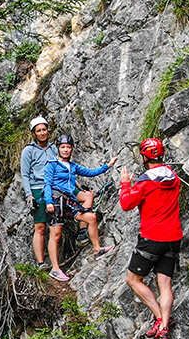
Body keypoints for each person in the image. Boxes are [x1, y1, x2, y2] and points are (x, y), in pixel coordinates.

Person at [119, 137, 183, 339]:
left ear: (144, 157)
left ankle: (159, 318)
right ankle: (164, 326)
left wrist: (125, 183)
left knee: (133, 279)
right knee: (165, 283)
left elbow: (126, 204)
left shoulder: (145, 182)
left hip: (152, 238)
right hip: (173, 237)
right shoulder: (174, 178)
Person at [44, 134, 117, 282]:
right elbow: (47, 183)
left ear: (71, 149)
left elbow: (90, 172)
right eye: (63, 147)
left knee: (91, 217)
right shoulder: (51, 164)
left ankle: (97, 249)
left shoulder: (73, 166)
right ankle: (55, 269)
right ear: (58, 148)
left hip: (69, 202)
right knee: (56, 234)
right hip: (57, 201)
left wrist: (107, 166)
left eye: (68, 147)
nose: (65, 150)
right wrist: (48, 202)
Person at [20, 116, 58, 269]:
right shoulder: (28, 151)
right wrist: (29, 195)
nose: (42, 133)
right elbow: (25, 174)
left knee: (55, 225)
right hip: (37, 189)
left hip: (54, 188)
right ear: (34, 134)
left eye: (44, 129)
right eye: (39, 131)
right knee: (40, 226)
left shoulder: (54, 148)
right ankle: (41, 262)